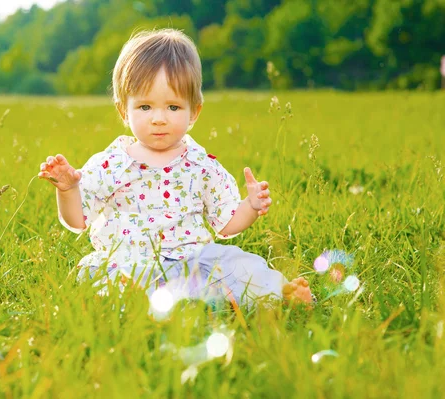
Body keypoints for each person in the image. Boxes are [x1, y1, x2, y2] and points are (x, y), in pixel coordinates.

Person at [39, 29, 312, 307]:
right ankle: (162, 301)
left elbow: (227, 225)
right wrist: (69, 189)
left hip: (193, 259)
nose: (159, 119)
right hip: (130, 263)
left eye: (172, 107)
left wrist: (250, 206)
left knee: (236, 264)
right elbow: (77, 222)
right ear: (124, 111)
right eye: (145, 107)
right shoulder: (110, 164)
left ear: (194, 111)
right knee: (111, 285)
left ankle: (279, 294)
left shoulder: (201, 165)